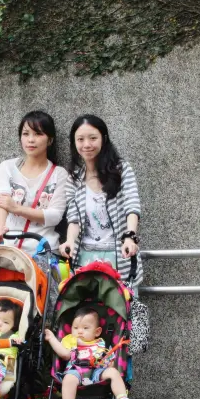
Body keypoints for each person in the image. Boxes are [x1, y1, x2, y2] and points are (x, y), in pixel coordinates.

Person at [59, 114, 144, 287]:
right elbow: (73, 219)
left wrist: (130, 236)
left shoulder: (121, 170)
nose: (86, 144)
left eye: (92, 138)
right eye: (80, 139)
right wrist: (69, 241)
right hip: (85, 259)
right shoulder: (74, 178)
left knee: (119, 309)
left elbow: (132, 205)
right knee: (88, 312)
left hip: (119, 256)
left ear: (103, 139)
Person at [0, 111, 69, 255]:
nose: (31, 140)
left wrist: (17, 208)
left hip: (43, 252)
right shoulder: (7, 167)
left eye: (38, 134)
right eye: (26, 134)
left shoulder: (59, 174)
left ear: (50, 140)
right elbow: (1, 201)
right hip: (9, 252)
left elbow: (54, 216)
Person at [43, 306, 138, 399]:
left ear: (97, 331)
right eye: (75, 328)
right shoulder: (71, 341)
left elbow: (109, 358)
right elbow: (64, 354)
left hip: (97, 372)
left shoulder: (100, 343)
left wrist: (111, 364)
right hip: (76, 370)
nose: (79, 331)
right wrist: (52, 338)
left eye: (85, 328)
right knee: (68, 379)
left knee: (114, 372)